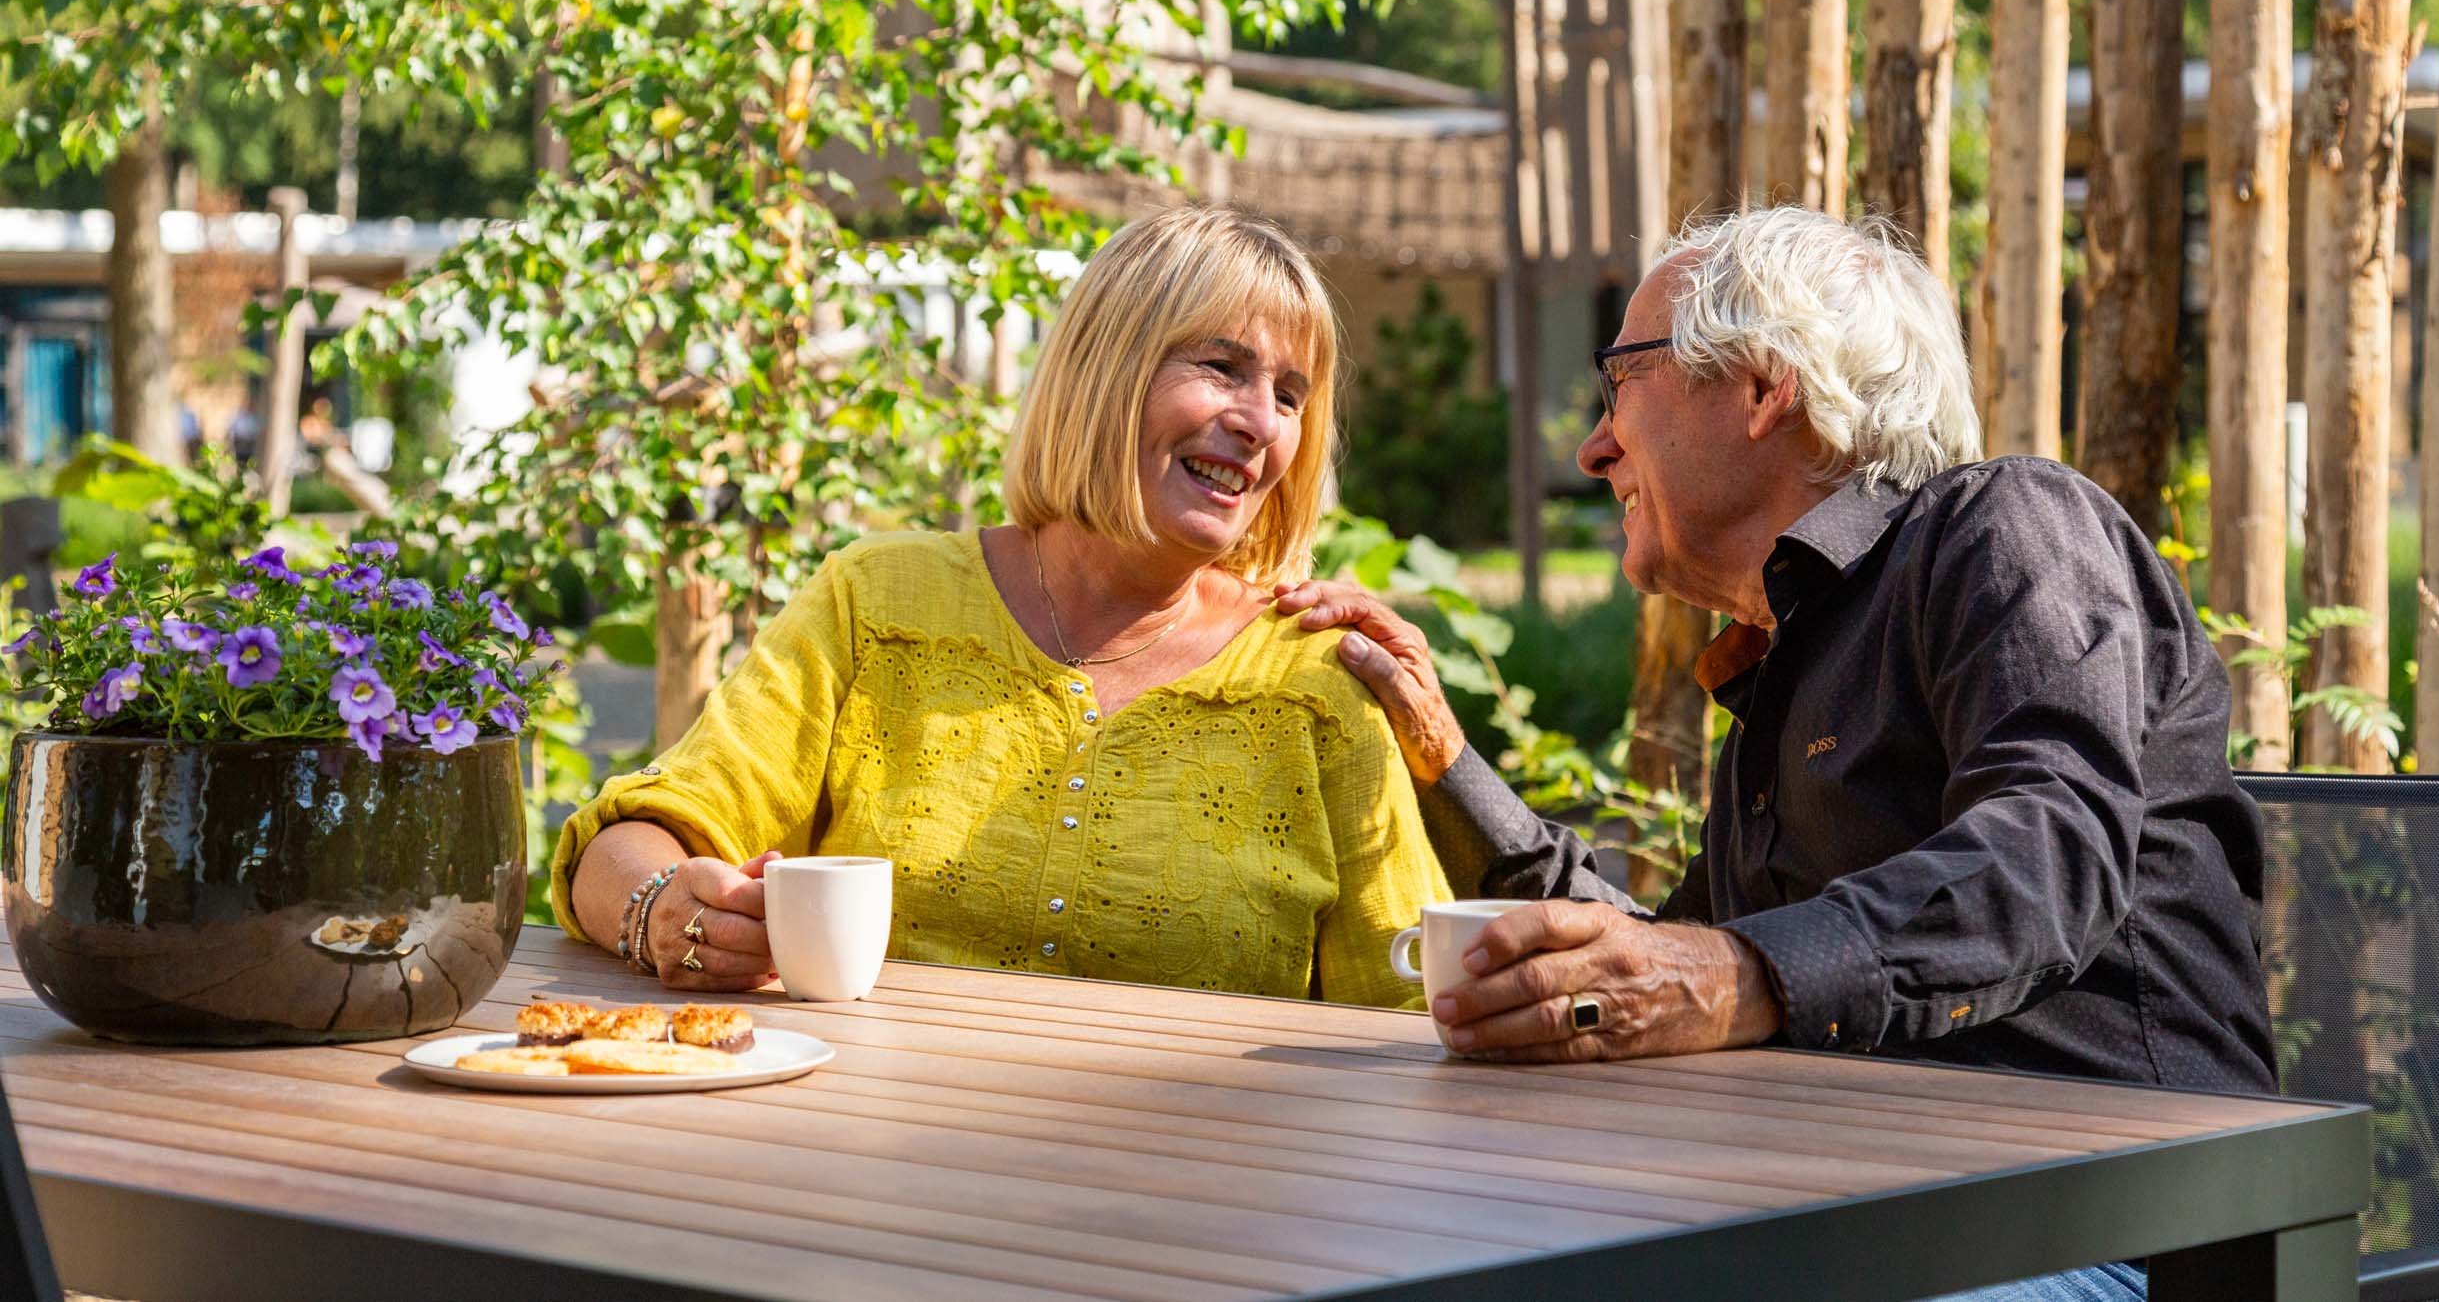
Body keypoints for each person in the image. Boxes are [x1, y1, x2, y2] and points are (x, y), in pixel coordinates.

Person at [1280, 204, 2276, 1092]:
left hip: (2122, 1217)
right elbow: (1658, 955)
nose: (1592, 448)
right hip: (1862, 1203)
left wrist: (1736, 976)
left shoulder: (2005, 524)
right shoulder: (1788, 658)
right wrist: (1444, 758)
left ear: (1760, 385)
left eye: (1621, 379)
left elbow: (2046, 856)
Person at [553, 205, 1448, 1007]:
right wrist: (663, 908)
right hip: (870, 1166)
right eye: (1223, 368)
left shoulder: (1316, 673)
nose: (1262, 422)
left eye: (1290, 395)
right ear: (1107, 370)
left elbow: (1418, 1001)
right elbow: (628, 837)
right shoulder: (878, 602)